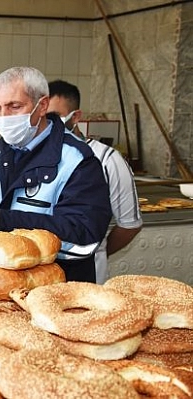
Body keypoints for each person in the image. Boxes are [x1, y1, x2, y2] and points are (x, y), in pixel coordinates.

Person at [0, 66, 112, 283]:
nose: (4, 118)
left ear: (42, 105)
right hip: (0, 282)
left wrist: (2, 220)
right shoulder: (0, 151)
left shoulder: (77, 160)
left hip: (57, 288)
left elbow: (83, 234)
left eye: (14, 106)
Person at [47, 79, 143, 284]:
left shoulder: (107, 160)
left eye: (55, 116)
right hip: (43, 275)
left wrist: (97, 250)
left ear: (76, 117)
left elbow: (129, 225)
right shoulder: (40, 157)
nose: (49, 124)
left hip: (87, 278)